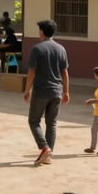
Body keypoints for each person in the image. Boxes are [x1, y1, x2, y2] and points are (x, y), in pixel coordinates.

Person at [24, 19, 69, 167]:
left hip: (41, 91)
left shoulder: (37, 49)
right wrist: (66, 91)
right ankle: (48, 155)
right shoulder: (61, 49)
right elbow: (65, 72)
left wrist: (27, 89)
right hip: (57, 90)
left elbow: (32, 71)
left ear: (42, 31)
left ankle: (44, 147)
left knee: (33, 121)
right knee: (52, 123)